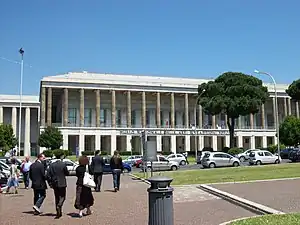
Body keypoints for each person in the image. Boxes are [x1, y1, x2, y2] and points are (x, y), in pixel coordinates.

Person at [47, 153, 69, 219]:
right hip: (62, 183)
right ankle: (59, 205)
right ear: (61, 157)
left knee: (56, 197)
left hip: (54, 183)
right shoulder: (63, 164)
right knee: (63, 196)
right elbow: (67, 173)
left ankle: (58, 212)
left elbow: (48, 175)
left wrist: (50, 183)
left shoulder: (51, 165)